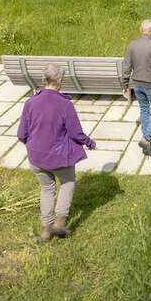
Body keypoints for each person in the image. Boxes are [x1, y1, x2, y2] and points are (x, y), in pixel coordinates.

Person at [17, 63, 96, 242]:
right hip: (59, 158)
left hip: (36, 158)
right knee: (67, 182)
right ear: (59, 81)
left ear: (44, 80)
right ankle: (60, 223)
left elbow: (22, 134)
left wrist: (34, 146)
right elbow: (76, 133)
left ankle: (46, 230)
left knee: (46, 188)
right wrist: (90, 143)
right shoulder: (65, 104)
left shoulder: (30, 103)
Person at [122, 19, 151, 155]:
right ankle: (147, 137)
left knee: (144, 108)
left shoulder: (132, 45)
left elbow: (126, 67)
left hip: (137, 85)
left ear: (140, 29)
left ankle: (147, 139)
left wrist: (125, 85)